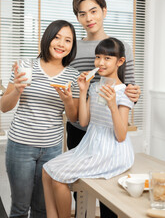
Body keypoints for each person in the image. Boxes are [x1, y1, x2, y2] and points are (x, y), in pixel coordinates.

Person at [67, 0, 141, 218]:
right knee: (81, 191)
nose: (89, 18)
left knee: (110, 193)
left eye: (93, 11)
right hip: (81, 130)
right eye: (82, 14)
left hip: (110, 133)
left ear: (104, 11)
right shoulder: (72, 48)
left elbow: (129, 88)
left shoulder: (121, 47)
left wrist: (134, 94)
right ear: (77, 18)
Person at [42, 37, 135, 218]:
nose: (100, 62)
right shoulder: (94, 87)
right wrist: (83, 90)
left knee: (59, 177)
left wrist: (112, 105)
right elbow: (83, 122)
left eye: (107, 58)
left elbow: (121, 135)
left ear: (120, 61)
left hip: (112, 151)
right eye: (98, 57)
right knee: (46, 170)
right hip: (91, 144)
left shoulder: (125, 92)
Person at [0, 20, 80, 218]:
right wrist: (17, 91)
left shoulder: (72, 75)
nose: (61, 44)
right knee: (20, 208)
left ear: (72, 46)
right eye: (57, 37)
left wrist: (68, 101)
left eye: (68, 40)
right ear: (47, 39)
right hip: (20, 146)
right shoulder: (25, 65)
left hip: (52, 149)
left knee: (43, 208)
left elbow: (74, 116)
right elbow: (4, 106)